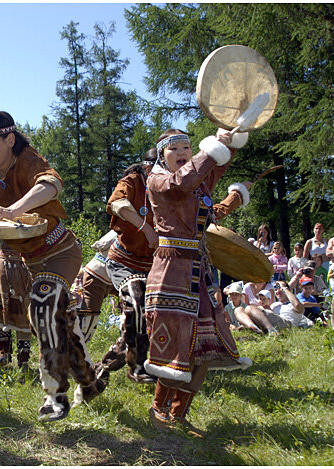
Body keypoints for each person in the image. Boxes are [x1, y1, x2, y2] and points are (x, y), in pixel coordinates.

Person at [0, 110, 105, 422]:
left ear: (9, 139)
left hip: (60, 251)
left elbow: (51, 184)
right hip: (29, 261)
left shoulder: (27, 159)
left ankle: (55, 394)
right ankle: (89, 382)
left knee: (43, 306)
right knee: (59, 321)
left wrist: (13, 209)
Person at [144, 127, 253, 437]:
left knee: (207, 347)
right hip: (170, 273)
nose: (182, 152)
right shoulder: (159, 181)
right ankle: (158, 408)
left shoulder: (198, 182)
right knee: (174, 349)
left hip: (200, 273)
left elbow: (214, 167)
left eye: (187, 148)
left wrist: (231, 138)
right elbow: (183, 183)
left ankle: (179, 415)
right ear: (162, 156)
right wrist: (214, 147)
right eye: (174, 148)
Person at [96, 149, 159, 385]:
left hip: (155, 265)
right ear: (146, 166)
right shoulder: (133, 181)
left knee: (146, 316)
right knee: (136, 299)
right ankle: (139, 366)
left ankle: (110, 361)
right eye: (155, 167)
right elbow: (117, 203)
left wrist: (236, 194)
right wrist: (146, 228)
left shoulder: (173, 185)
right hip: (123, 262)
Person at [0, 244, 34, 369]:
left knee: (22, 314)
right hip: (14, 266)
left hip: (18, 266)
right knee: (8, 311)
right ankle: (17, 358)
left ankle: (16, 357)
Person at [76, 231, 118, 343]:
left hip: (115, 277)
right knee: (87, 321)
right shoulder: (127, 226)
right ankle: (70, 353)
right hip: (96, 276)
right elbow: (101, 244)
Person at [246, 283, 311, 330]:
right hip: (273, 322)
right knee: (239, 309)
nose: (278, 291)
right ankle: (251, 326)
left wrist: (284, 288)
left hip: (286, 324)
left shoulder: (293, 304)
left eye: (280, 288)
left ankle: (270, 329)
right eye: (276, 289)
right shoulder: (274, 305)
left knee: (249, 308)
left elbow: (297, 306)